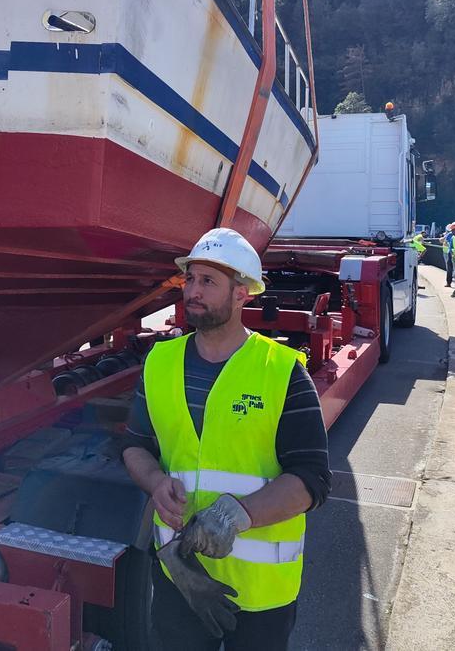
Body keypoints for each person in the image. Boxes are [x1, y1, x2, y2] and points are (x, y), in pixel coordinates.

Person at [122, 227, 331, 650]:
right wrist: (155, 483)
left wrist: (237, 515)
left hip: (259, 593)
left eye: (209, 282)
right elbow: (134, 446)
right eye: (191, 279)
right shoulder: (159, 363)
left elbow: (312, 479)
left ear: (242, 294)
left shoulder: (282, 371)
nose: (193, 292)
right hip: (179, 575)